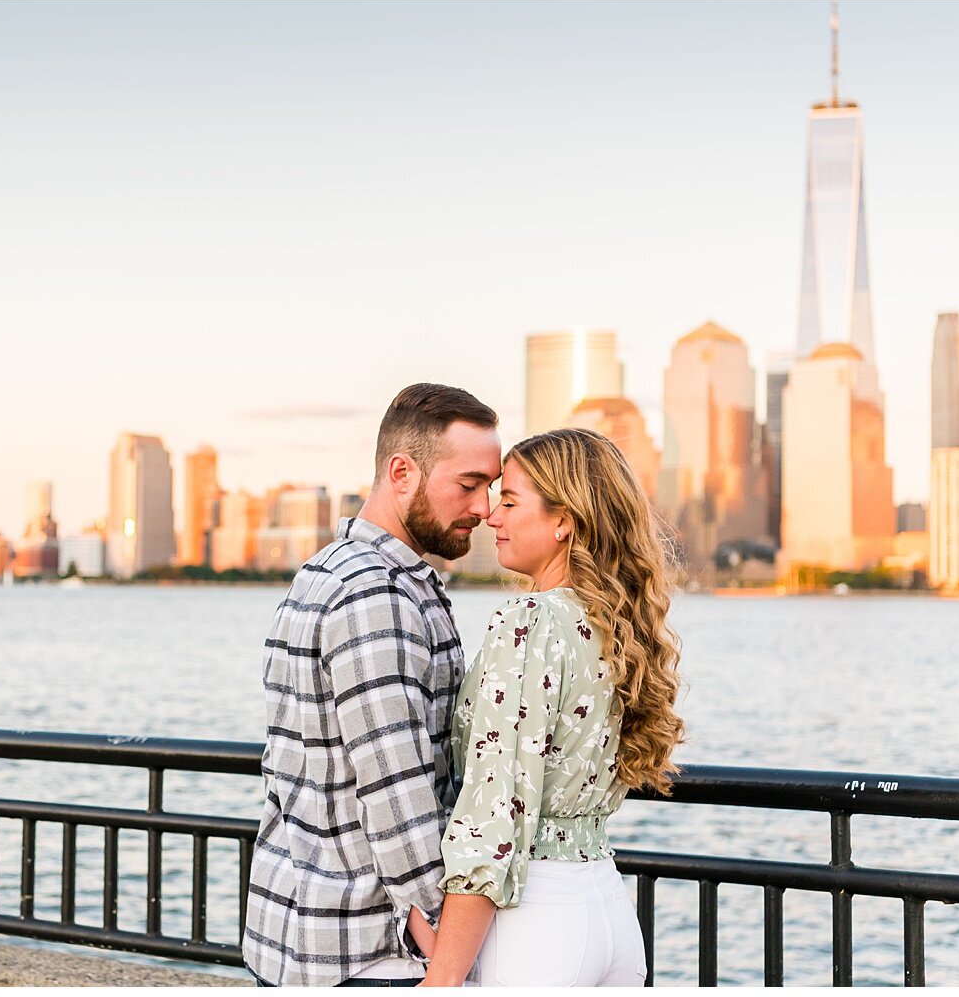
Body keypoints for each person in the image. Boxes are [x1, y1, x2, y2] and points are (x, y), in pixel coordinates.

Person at [243, 383, 503, 987]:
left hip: (302, 938)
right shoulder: (376, 594)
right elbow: (398, 796)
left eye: (490, 487)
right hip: (366, 954)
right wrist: (445, 955)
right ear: (402, 472)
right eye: (468, 484)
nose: (485, 506)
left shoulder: (326, 570)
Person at [422, 428, 685, 988]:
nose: (493, 516)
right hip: (608, 906)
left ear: (564, 520)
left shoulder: (529, 622)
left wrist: (441, 977)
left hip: (536, 922)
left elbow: (494, 817)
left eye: (511, 501)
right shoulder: (617, 626)